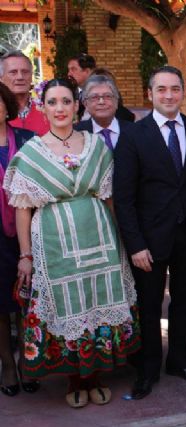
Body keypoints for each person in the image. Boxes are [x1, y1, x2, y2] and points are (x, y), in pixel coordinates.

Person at [2, 78, 140, 408]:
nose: (60, 108)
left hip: (99, 238)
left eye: (66, 101)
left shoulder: (95, 145)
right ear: (43, 107)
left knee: (95, 303)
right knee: (68, 307)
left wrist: (121, 240)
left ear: (77, 106)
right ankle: (74, 379)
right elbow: (22, 208)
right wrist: (25, 255)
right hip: (53, 244)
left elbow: (109, 198)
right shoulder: (31, 153)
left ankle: (95, 376)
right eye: (53, 102)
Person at [113, 66, 186, 400]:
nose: (168, 95)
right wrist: (135, 244)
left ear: (184, 92)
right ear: (149, 94)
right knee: (149, 305)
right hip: (149, 240)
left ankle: (180, 361)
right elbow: (124, 197)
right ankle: (148, 368)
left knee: (185, 302)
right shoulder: (133, 135)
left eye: (174, 89)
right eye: (161, 90)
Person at [0, 82, 35, 397]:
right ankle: (7, 367)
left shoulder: (27, 140)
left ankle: (27, 362)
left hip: (27, 233)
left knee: (26, 301)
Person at [74, 74, 134, 150]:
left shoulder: (134, 131)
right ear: (85, 104)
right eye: (94, 97)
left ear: (116, 102)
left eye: (107, 96)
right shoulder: (77, 133)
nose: (101, 102)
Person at [0, 51, 48, 136]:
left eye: (25, 72)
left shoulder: (48, 110)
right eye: (13, 72)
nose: (20, 77)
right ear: (1, 78)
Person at [67, 53, 96, 120]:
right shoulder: (75, 92)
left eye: (73, 69)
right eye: (69, 70)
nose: (69, 74)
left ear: (87, 71)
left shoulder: (102, 93)